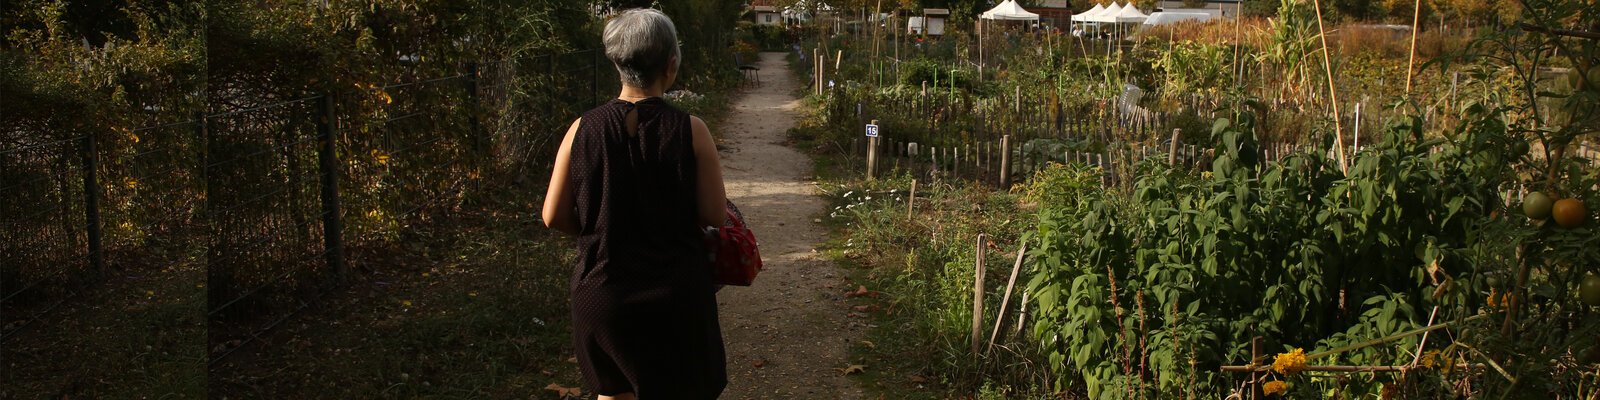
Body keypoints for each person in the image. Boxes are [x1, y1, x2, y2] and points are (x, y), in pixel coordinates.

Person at [541, 8, 728, 400]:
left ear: (617, 64)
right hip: (677, 295)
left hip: (603, 293)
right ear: (671, 64)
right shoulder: (691, 130)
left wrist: (601, 228)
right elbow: (714, 214)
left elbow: (552, 215)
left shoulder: (581, 128)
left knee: (614, 393)